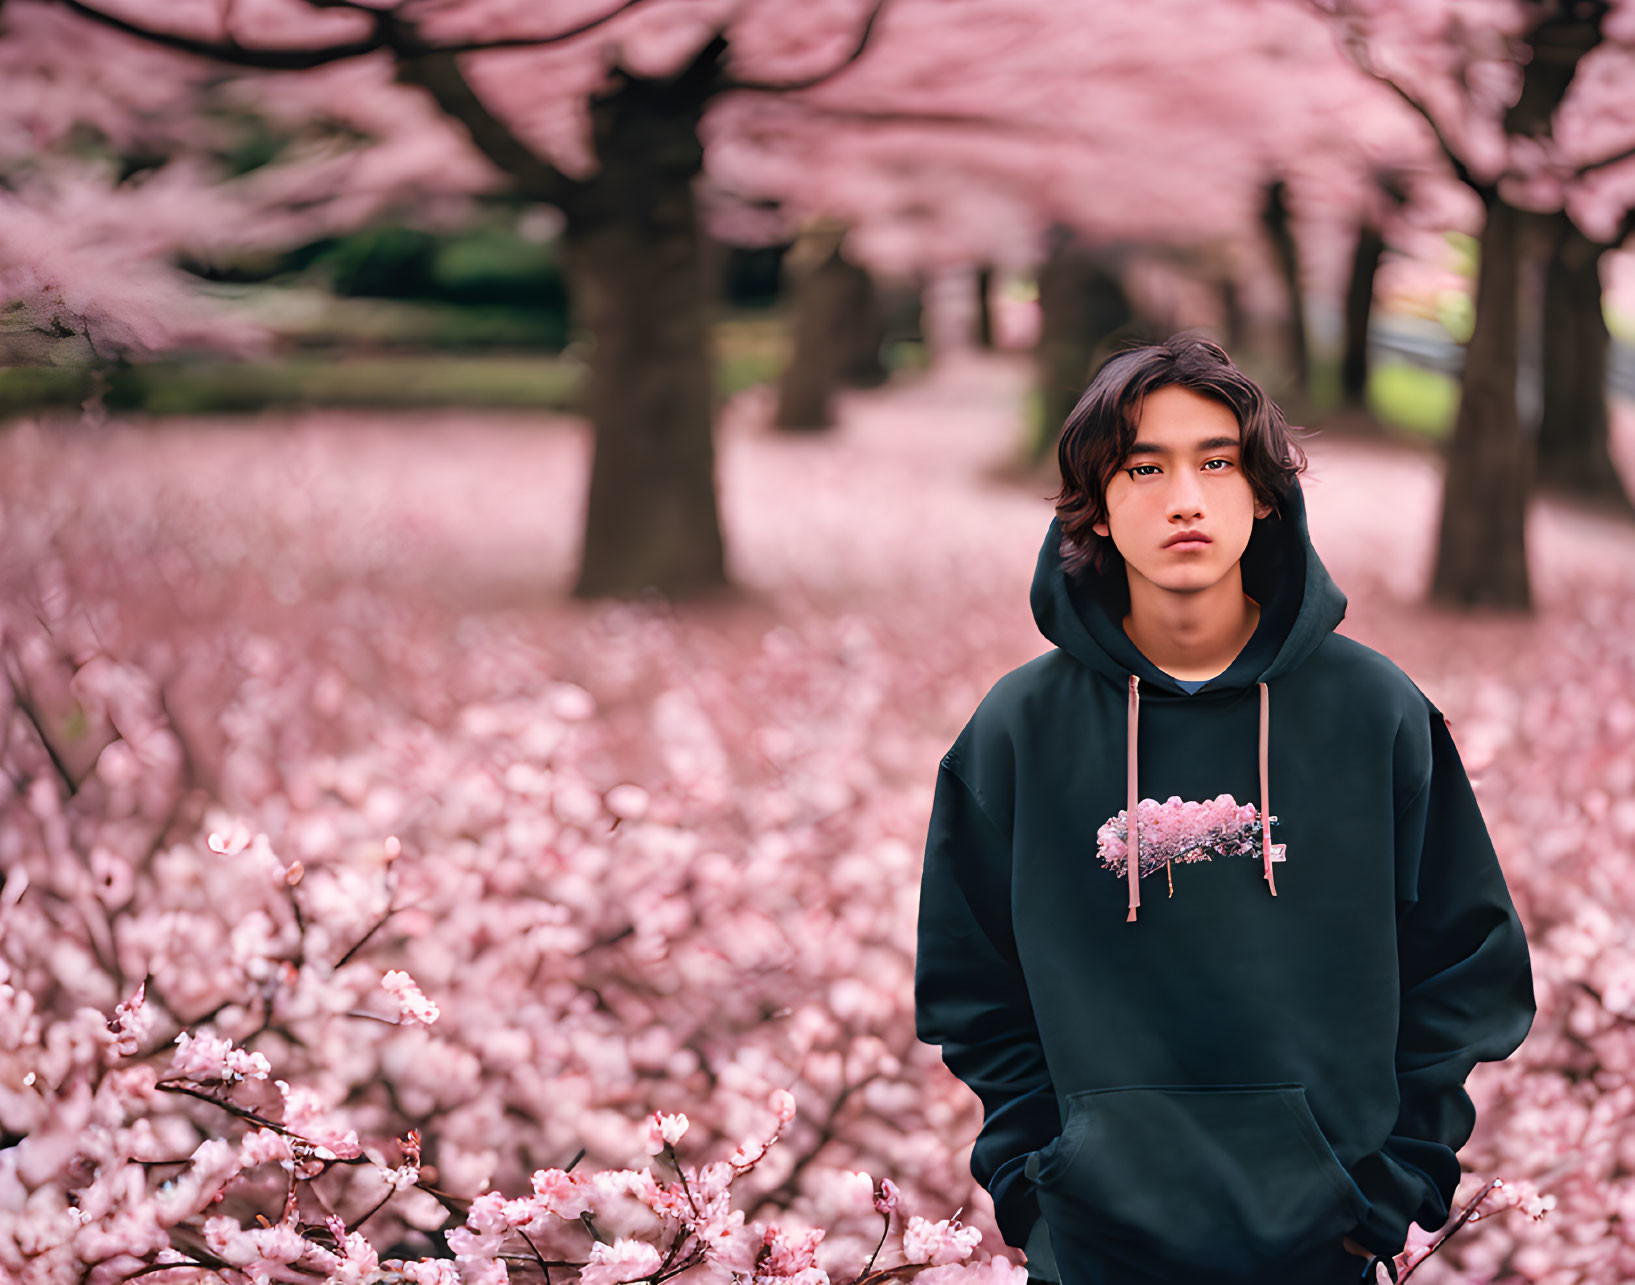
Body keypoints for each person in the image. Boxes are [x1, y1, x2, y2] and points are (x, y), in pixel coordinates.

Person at [912, 334, 1535, 1285]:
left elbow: (1468, 961)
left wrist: (1394, 1180)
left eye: (1217, 461)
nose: (1186, 498)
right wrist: (1038, 1176)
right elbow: (969, 985)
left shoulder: (1376, 711)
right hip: (1093, 1245)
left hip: (1324, 1242)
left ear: (1262, 494)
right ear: (1096, 508)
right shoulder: (1016, 729)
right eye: (1142, 467)